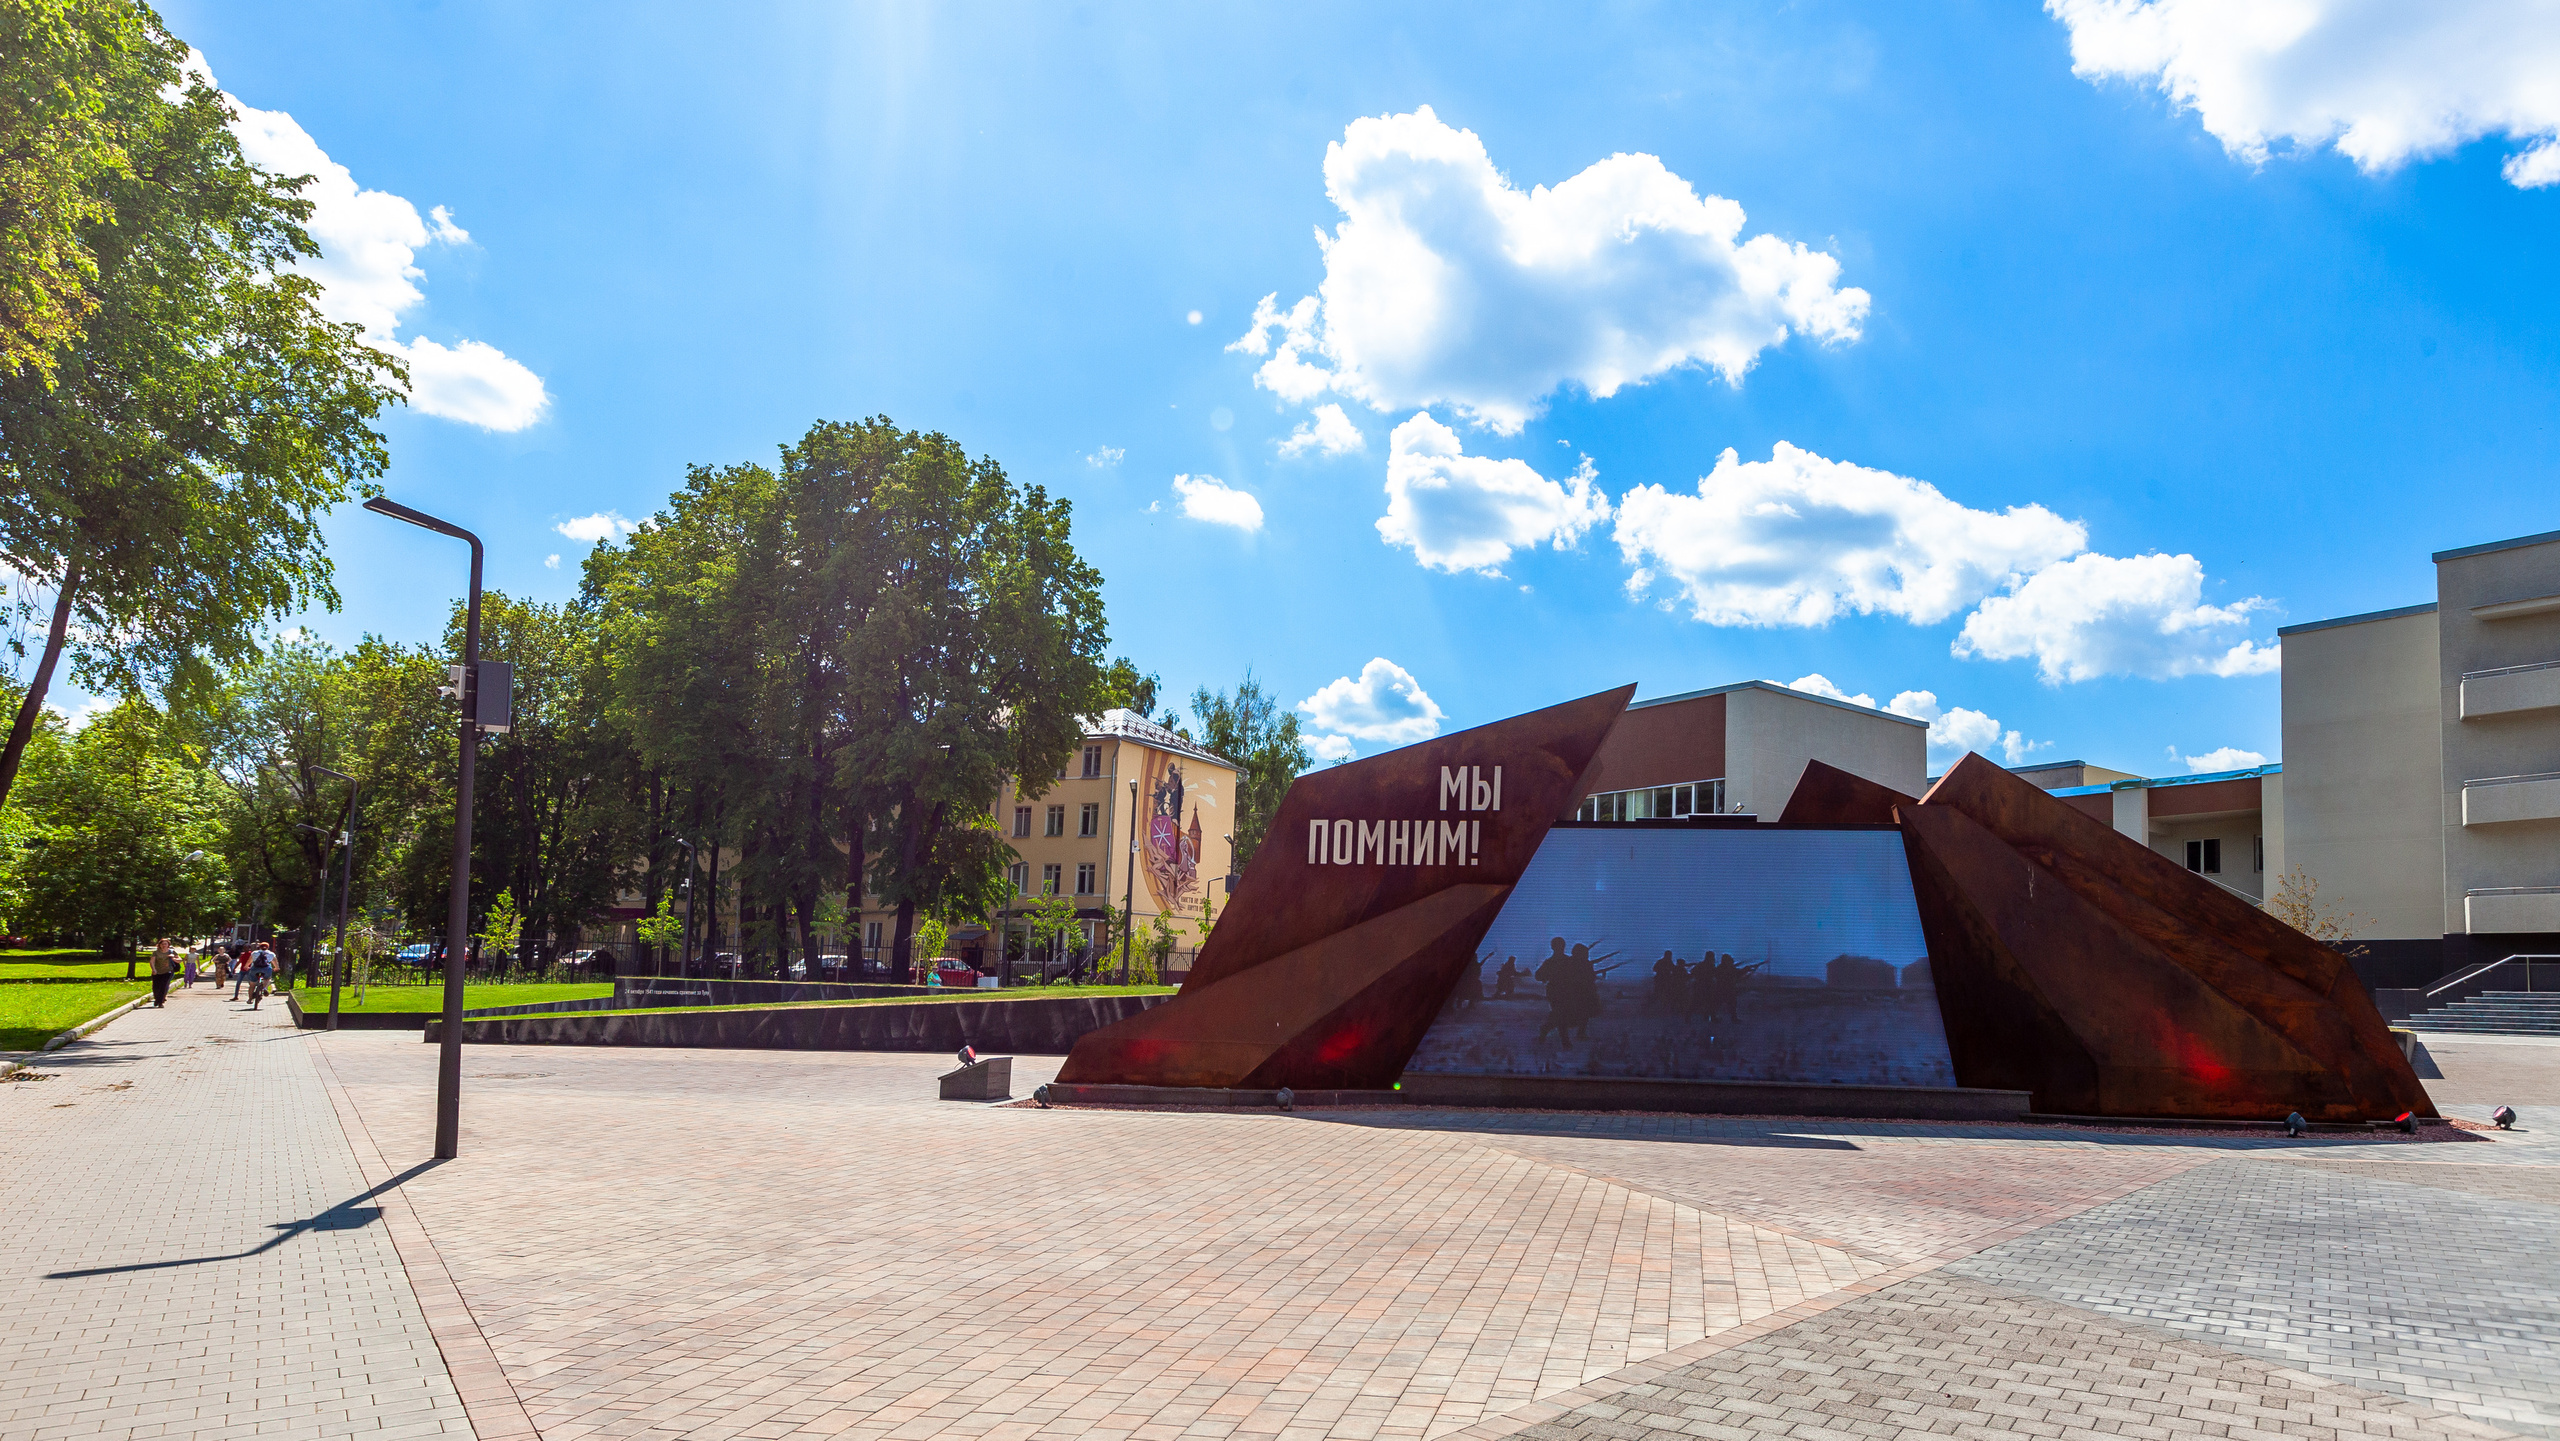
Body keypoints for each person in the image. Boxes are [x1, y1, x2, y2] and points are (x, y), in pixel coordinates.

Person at [147, 939, 178, 1007]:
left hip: (168, 971)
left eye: (165, 944)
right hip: (157, 971)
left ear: (168, 945)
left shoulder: (171, 952)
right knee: (156, 987)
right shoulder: (156, 952)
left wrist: (173, 958)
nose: (164, 945)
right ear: (159, 945)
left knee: (163, 986)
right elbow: (152, 961)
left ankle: (160, 1002)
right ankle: (157, 999)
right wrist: (153, 969)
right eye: (162, 944)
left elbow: (179, 960)